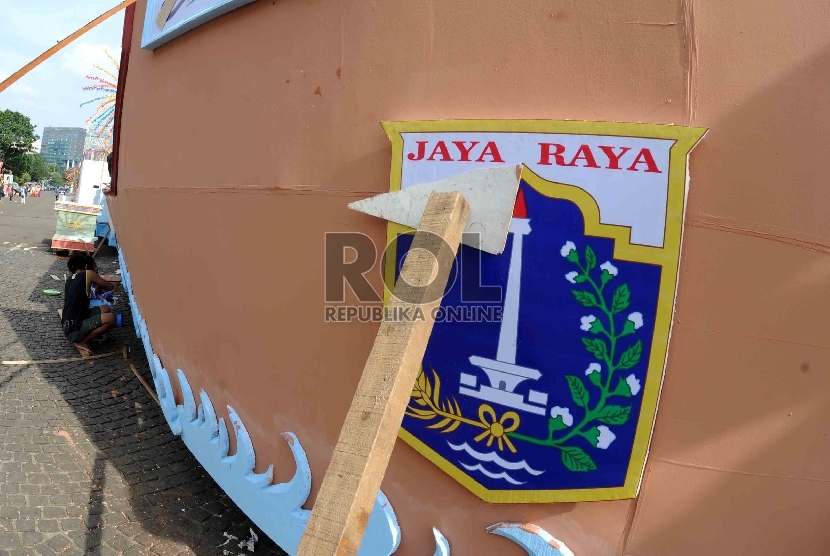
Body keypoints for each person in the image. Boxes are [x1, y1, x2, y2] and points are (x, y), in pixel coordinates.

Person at [61, 253, 116, 357]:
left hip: (67, 325)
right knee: (111, 318)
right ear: (86, 266)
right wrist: (113, 286)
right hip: (75, 329)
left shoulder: (69, 280)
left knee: (105, 308)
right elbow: (109, 286)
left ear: (70, 270)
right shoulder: (88, 274)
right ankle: (83, 341)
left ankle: (83, 336)